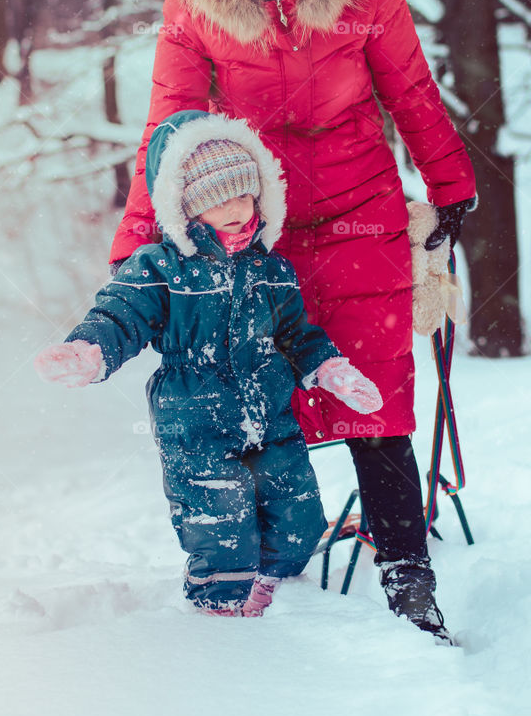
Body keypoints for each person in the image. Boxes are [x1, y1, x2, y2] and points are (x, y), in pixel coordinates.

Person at [109, 0, 477, 638]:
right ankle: (265, 557)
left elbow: (409, 89)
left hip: (361, 205)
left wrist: (448, 181)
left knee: (375, 390)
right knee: (264, 387)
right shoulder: (193, 2)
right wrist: (137, 240)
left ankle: (405, 569)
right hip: (252, 224)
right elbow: (166, 125)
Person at [35, 109, 382, 618]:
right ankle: (219, 613)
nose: (238, 208)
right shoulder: (159, 266)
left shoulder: (271, 268)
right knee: (219, 521)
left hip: (270, 412)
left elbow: (296, 334)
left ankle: (280, 586)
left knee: (299, 516)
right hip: (194, 415)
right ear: (187, 207)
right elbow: (121, 314)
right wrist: (92, 351)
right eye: (220, 199)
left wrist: (330, 369)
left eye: (245, 194)